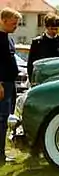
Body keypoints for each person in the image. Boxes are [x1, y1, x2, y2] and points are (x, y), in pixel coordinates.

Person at [0, 7, 21, 165]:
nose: (16, 26)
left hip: (9, 83)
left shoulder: (8, 38)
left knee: (6, 118)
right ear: (3, 20)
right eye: (14, 23)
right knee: (1, 119)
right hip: (2, 84)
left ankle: (2, 151)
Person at [27, 13, 59, 82]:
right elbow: (31, 63)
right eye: (52, 29)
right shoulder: (37, 42)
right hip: (43, 78)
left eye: (56, 29)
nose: (54, 31)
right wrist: (32, 80)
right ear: (47, 27)